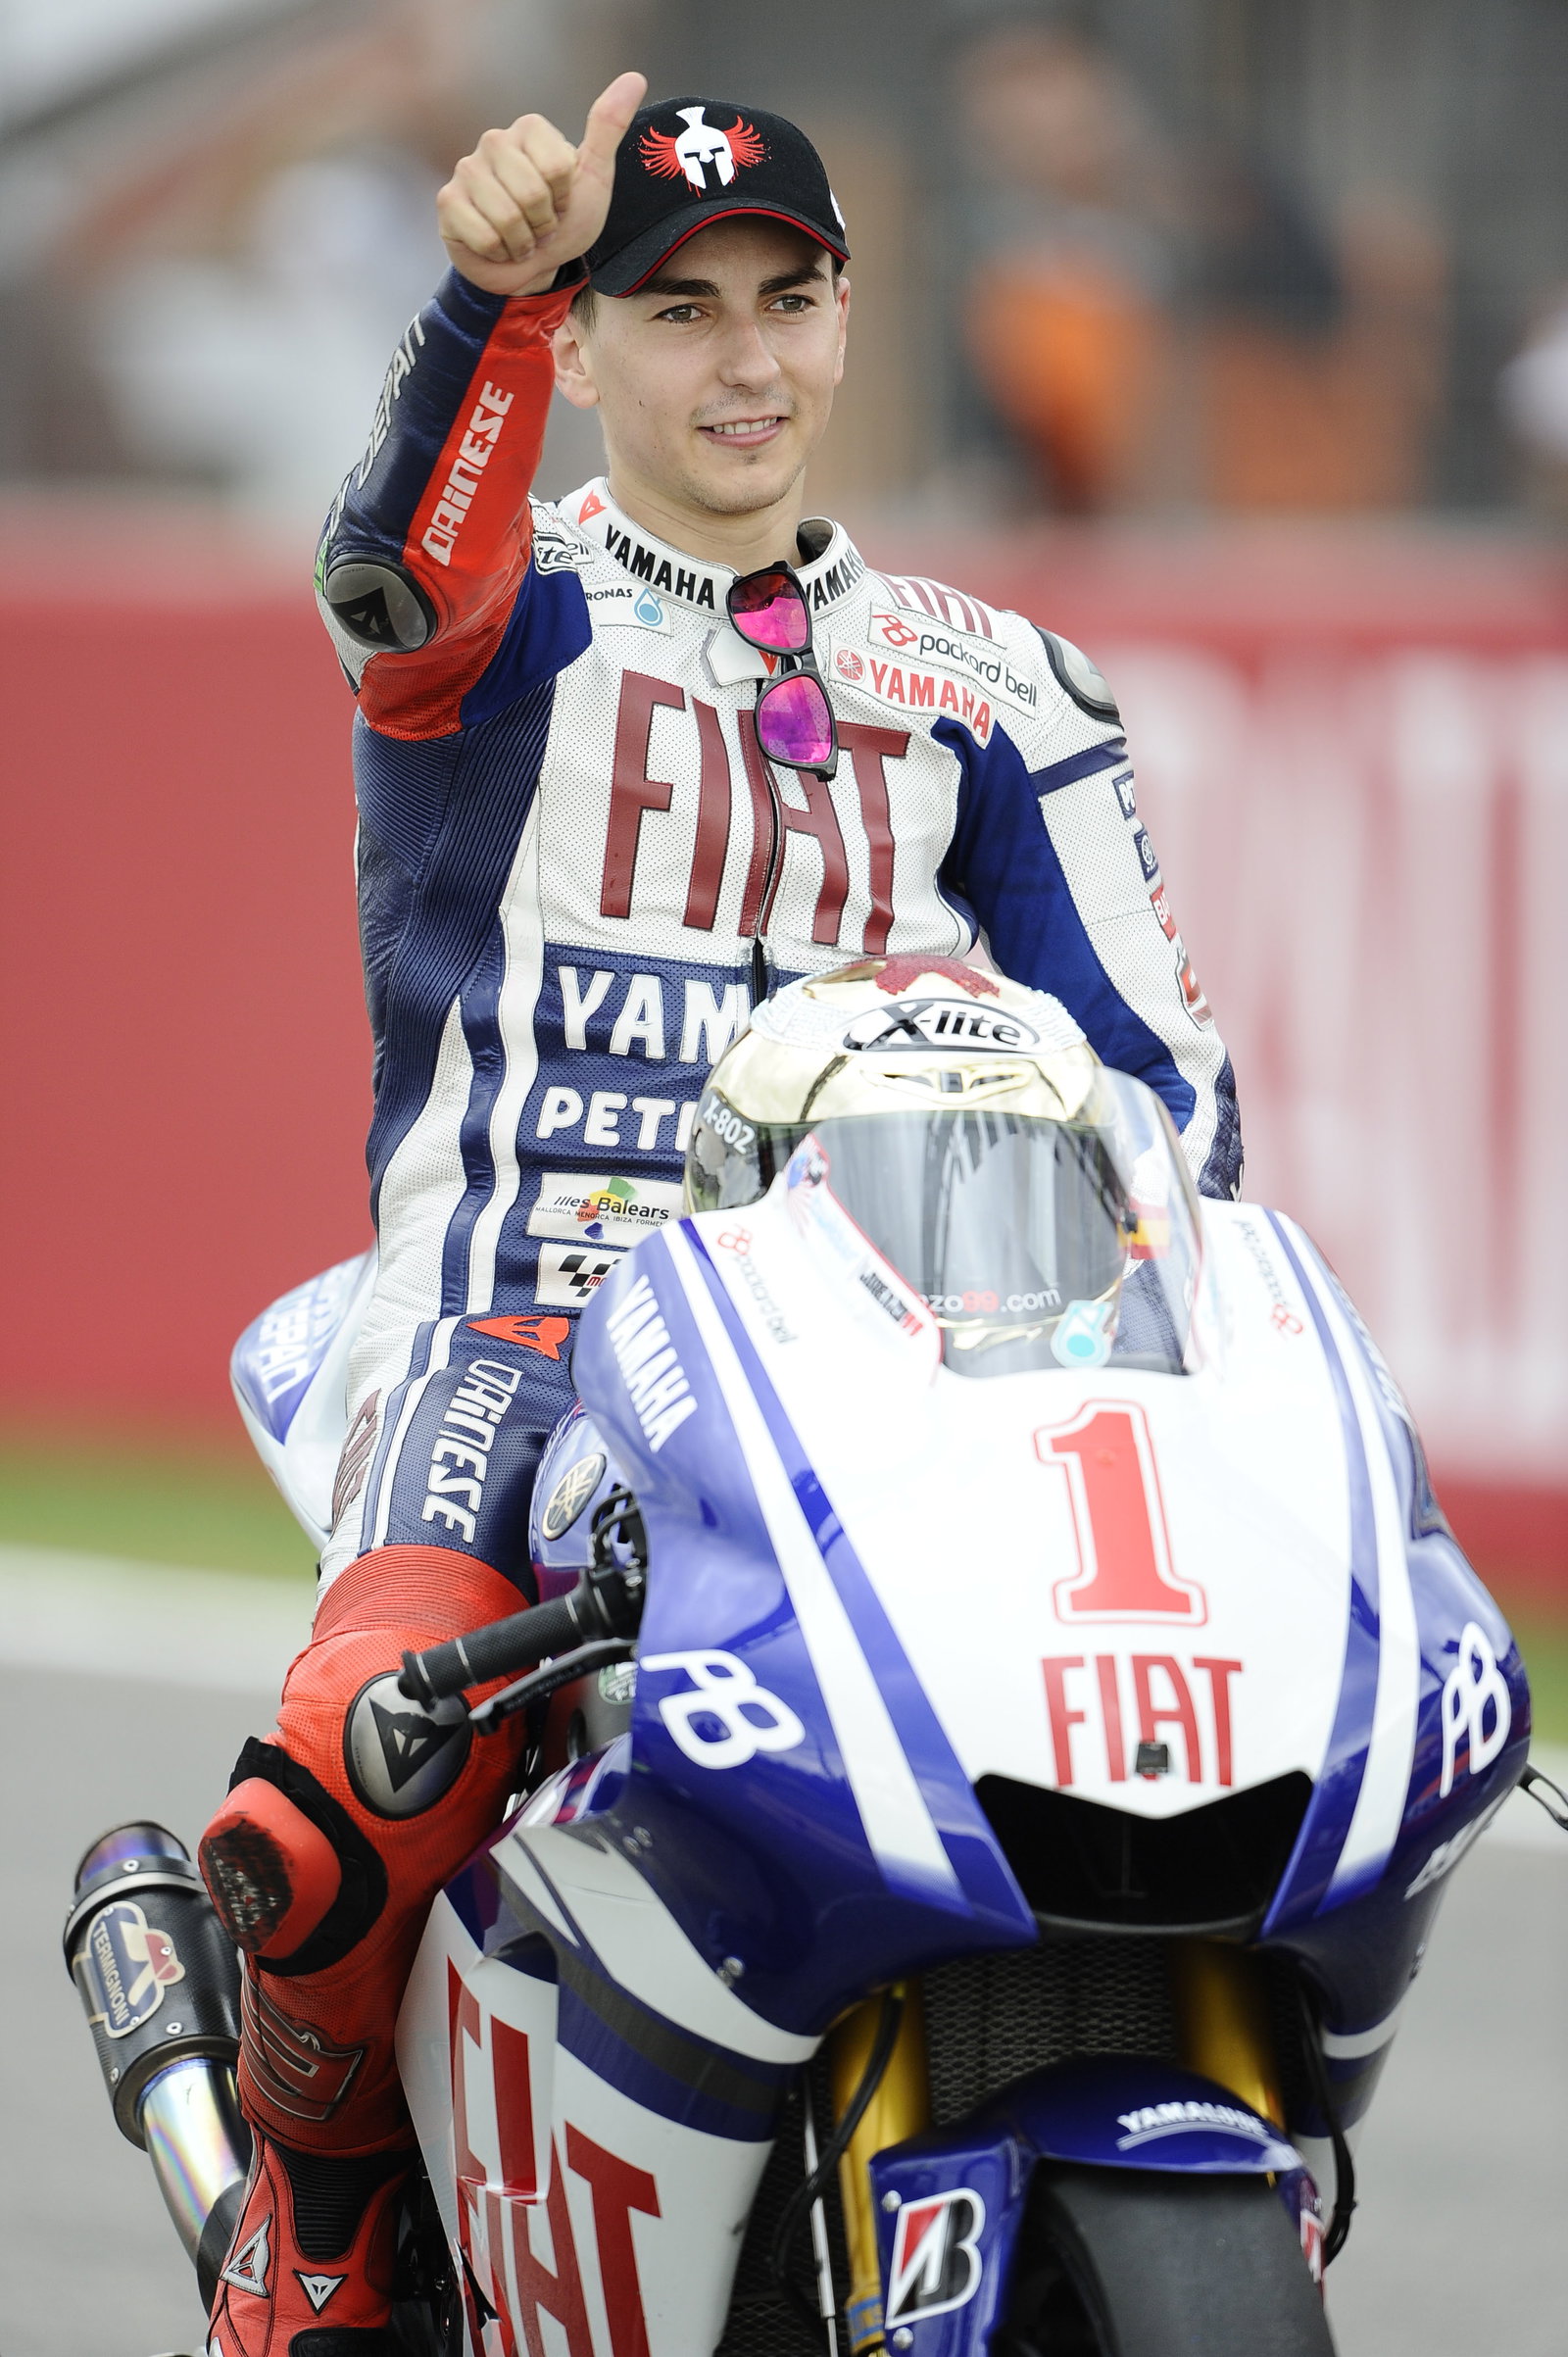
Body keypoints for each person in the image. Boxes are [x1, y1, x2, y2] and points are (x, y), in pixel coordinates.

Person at [195, 69, 1242, 2354]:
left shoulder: (988, 684)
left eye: (787, 299)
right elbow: (387, 565)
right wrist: (478, 301)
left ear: (852, 320)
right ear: (589, 350)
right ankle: (321, 2220)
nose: (744, 360)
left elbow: (1174, 1100)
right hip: (520, 1322)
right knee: (338, 1779)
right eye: (675, 312)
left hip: (884, 1358)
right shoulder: (499, 623)